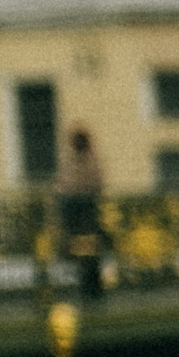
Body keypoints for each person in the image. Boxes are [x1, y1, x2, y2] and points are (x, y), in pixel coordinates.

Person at [57, 125, 105, 294]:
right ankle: (87, 286)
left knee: (89, 252)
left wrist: (71, 190)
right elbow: (64, 183)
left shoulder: (90, 161)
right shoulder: (72, 160)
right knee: (81, 252)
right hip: (76, 215)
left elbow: (92, 185)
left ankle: (92, 288)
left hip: (86, 213)